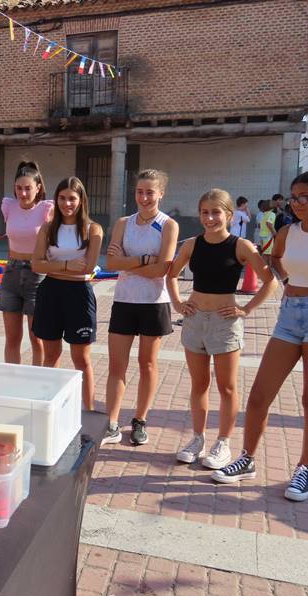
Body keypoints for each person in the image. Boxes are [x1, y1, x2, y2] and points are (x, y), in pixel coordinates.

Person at [212, 170, 308, 502]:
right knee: (260, 393)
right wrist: (288, 281)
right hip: (290, 313)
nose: (297, 203)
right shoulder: (287, 231)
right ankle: (246, 458)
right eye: (293, 197)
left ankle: (305, 469)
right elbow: (275, 258)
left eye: (304, 196)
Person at [167, 189, 276, 468]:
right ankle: (198, 438)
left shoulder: (241, 246)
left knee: (226, 386)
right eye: (205, 212)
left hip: (224, 323)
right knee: (199, 384)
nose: (210, 218)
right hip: (195, 321)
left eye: (216, 212)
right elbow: (171, 275)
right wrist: (178, 304)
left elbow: (270, 282)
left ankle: (223, 443)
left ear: (229, 215)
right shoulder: (191, 244)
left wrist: (246, 309)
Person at [103, 169, 179, 446]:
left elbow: (162, 270)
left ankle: (140, 420)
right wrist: (146, 259)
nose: (144, 197)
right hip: (124, 300)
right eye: (140, 191)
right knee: (116, 365)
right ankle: (111, 422)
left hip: (153, 303)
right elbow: (111, 264)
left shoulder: (168, 225)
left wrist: (129, 260)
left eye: (150, 192)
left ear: (161, 193)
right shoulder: (124, 223)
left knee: (147, 363)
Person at [31, 177, 102, 410]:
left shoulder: (93, 229)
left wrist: (57, 265)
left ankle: (88, 410)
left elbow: (88, 266)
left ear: (81, 200)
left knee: (81, 359)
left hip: (79, 295)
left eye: (72, 198)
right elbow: (36, 265)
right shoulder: (48, 228)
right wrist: (65, 266)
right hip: (51, 292)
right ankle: (46, 405)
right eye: (62, 198)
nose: (67, 203)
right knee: (50, 355)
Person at [0, 161, 54, 366]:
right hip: (11, 271)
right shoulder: (8, 206)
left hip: (36, 274)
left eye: (28, 188)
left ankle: (36, 386)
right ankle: (12, 384)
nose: (23, 193)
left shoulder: (47, 209)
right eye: (19, 188)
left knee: (36, 338)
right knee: (12, 338)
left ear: (38, 188)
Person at [259, 199, 276, 267]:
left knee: (265, 254)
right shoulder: (272, 214)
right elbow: (269, 224)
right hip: (268, 236)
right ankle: (266, 270)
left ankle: (264, 269)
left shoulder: (263, 214)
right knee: (268, 254)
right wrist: (275, 233)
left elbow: (261, 225)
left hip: (262, 235)